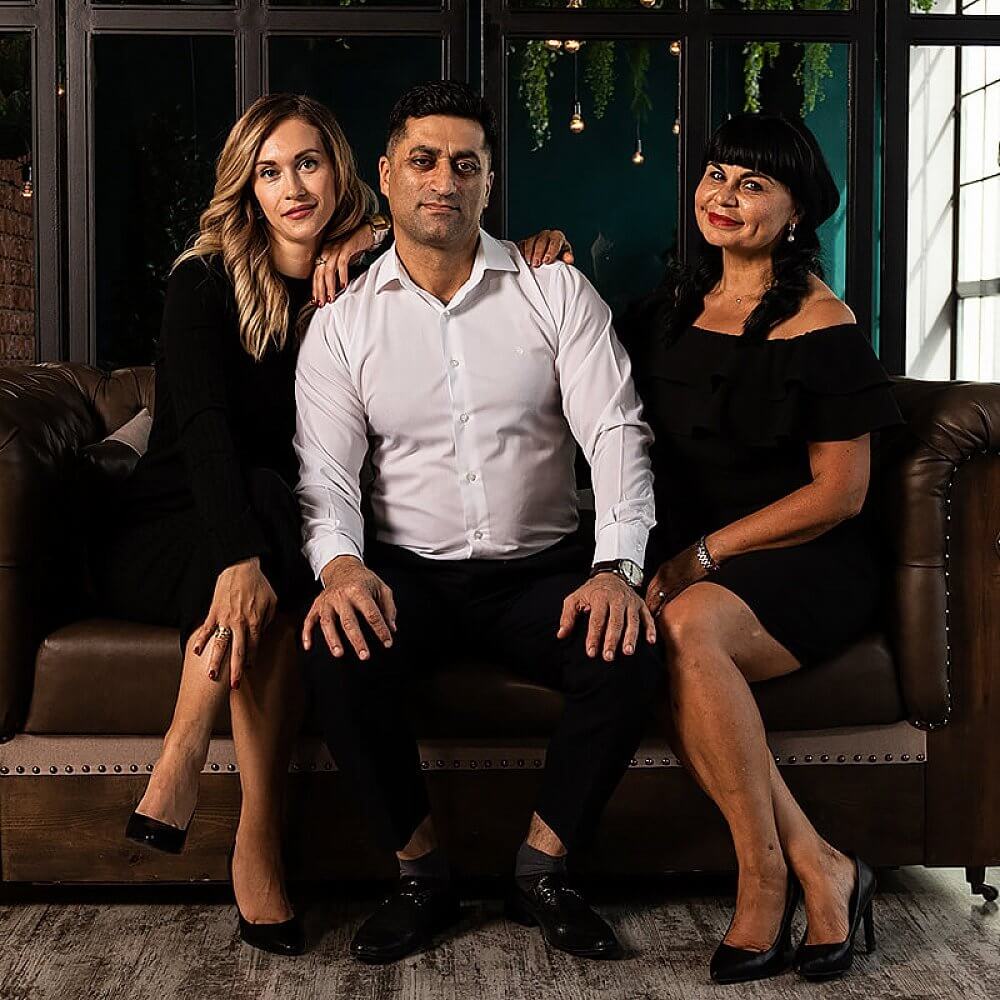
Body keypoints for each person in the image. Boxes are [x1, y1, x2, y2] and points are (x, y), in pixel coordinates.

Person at [92, 91, 569, 957]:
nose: (293, 188)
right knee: (272, 504)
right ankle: (190, 752)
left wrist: (534, 243)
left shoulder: (367, 272)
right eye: (269, 172)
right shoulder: (204, 279)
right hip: (179, 525)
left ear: (342, 171)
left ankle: (252, 831)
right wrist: (238, 559)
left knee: (290, 518)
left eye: (307, 164)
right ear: (247, 187)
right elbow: (204, 431)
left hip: (293, 527)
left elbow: (452, 231)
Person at [294, 80, 660, 966]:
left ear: (490, 180)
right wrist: (341, 568)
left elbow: (616, 432)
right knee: (334, 651)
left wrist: (617, 568)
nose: (444, 181)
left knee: (632, 650)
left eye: (466, 164)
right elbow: (326, 477)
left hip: (541, 574)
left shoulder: (555, 290)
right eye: (423, 160)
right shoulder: (341, 323)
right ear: (386, 175)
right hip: (408, 575)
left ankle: (543, 870)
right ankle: (421, 876)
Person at [622, 113, 903, 984]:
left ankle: (763, 877)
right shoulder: (670, 308)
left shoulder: (823, 323)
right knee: (665, 628)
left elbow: (838, 495)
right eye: (716, 175)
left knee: (686, 626)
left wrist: (702, 556)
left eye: (753, 185)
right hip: (696, 558)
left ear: (795, 212)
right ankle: (821, 862)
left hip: (806, 558)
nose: (724, 197)